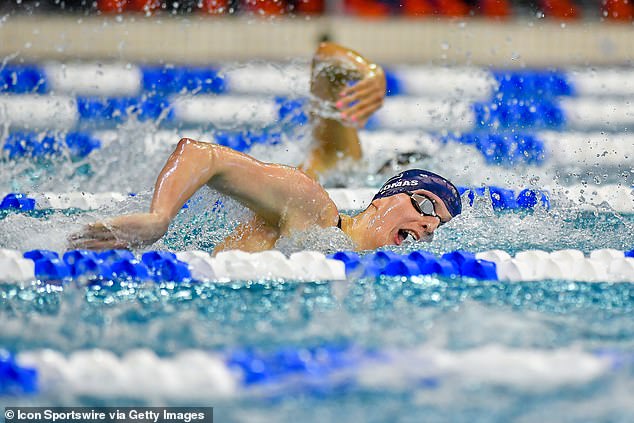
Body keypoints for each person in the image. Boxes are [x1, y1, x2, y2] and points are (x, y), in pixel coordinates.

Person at [69, 42, 462, 253]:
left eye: (437, 225)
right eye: (425, 205)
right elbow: (201, 152)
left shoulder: (346, 255)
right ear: (382, 194)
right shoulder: (315, 205)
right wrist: (159, 218)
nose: (429, 224)